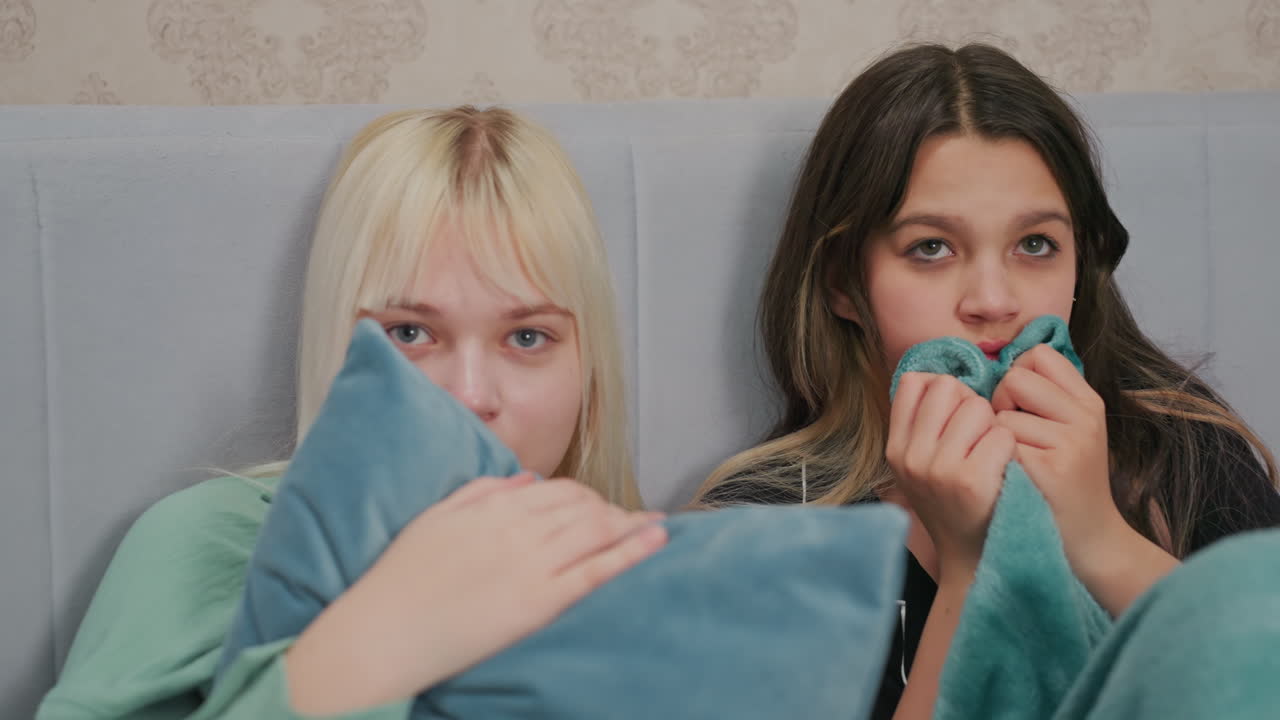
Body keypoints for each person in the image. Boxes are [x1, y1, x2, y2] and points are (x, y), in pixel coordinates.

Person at [691, 43, 1280, 720]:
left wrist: (1098, 538)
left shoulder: (1180, 445)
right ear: (842, 284)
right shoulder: (761, 533)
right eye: (931, 248)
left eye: (1035, 245)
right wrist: (969, 571)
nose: (994, 301)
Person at [38, 106, 664, 719]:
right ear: (336, 344)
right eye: (410, 333)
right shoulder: (210, 542)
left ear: (588, 367)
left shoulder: (647, 576)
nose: (471, 397)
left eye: (527, 337)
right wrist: (383, 637)